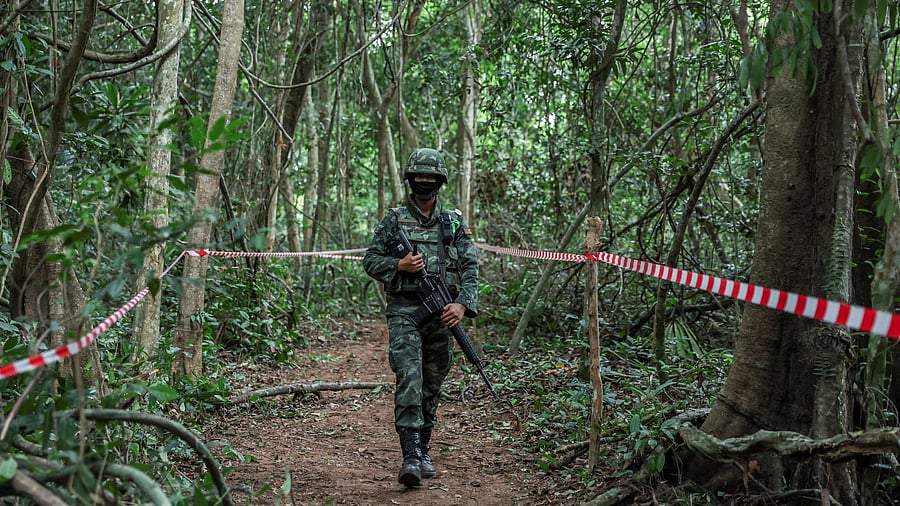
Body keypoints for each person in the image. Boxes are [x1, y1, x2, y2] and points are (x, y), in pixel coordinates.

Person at [363, 148, 479, 487]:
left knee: (432, 383)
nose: (424, 183)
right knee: (410, 377)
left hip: (443, 314)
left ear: (440, 181)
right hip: (405, 312)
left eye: (430, 178)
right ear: (410, 180)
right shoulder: (394, 219)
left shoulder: (454, 222)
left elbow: (470, 267)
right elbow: (370, 260)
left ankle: (424, 447)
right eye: (419, 178)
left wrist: (463, 305)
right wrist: (397, 266)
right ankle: (410, 455)